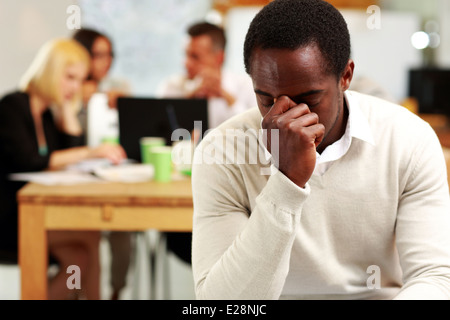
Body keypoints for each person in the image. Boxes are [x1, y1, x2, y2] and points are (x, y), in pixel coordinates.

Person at [191, 0, 450, 300]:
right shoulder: (223, 151)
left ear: (345, 77)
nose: (285, 116)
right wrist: (287, 183)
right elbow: (224, 303)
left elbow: (434, 278)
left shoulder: (407, 140)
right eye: (266, 99)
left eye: (309, 98)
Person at [0, 38, 127, 300]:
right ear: (50, 71)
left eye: (80, 80)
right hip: (10, 216)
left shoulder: (47, 115)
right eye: (69, 77)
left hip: (33, 209)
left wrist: (68, 107)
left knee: (78, 259)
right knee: (89, 237)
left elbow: (68, 155)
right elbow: (29, 160)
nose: (75, 87)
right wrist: (91, 151)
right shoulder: (13, 106)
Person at [157, 21, 256, 266]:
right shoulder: (173, 87)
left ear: (218, 57)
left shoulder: (244, 88)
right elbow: (159, 127)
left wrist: (226, 97)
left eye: (195, 57)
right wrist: (191, 96)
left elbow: (256, 134)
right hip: (179, 193)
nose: (186, 63)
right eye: (185, 55)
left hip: (229, 194)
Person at [73, 28, 132, 300]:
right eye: (98, 55)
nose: (105, 61)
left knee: (123, 227)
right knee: (87, 235)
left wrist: (118, 107)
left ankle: (116, 291)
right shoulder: (69, 92)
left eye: (109, 55)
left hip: (109, 177)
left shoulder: (115, 90)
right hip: (75, 182)